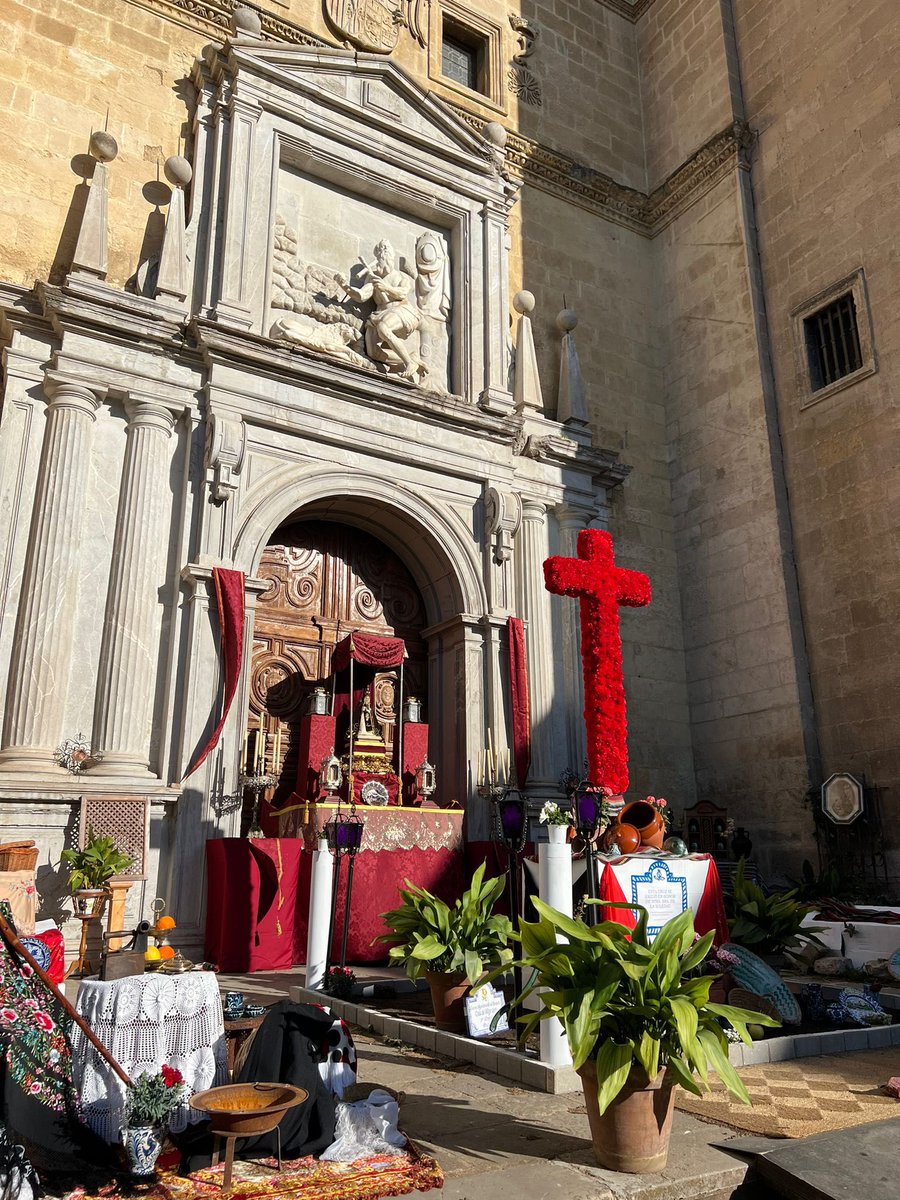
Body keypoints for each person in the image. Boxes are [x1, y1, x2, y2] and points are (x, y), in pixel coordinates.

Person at [336, 241, 425, 380]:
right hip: (379, 315)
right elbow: (361, 296)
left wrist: (386, 287)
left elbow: (402, 294)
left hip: (402, 310)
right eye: (381, 259)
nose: (383, 262)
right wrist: (344, 286)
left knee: (384, 328)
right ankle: (409, 357)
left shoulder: (401, 276)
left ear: (391, 258)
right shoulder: (372, 278)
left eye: (386, 258)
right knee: (373, 353)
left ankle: (409, 364)